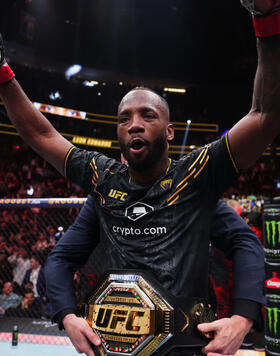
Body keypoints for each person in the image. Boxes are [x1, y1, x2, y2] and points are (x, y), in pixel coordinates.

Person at [0, 0, 278, 354]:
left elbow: (266, 116)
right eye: (124, 118)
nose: (134, 124)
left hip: (185, 347)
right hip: (114, 348)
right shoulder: (103, 183)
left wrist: (243, 316)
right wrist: (67, 316)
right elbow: (40, 136)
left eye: (148, 115)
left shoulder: (196, 175)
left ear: (170, 131)